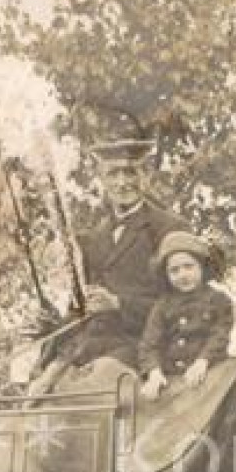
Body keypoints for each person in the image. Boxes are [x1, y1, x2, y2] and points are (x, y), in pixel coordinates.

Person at [28, 131, 190, 395]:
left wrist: (118, 304)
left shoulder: (169, 228)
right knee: (37, 388)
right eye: (113, 174)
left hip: (143, 348)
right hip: (89, 347)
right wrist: (53, 326)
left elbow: (182, 305)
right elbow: (85, 309)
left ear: (145, 176)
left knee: (94, 388)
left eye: (130, 173)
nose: (122, 182)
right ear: (102, 179)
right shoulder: (95, 237)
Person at [139, 230, 235, 401]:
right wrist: (154, 372)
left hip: (210, 375)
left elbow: (219, 336)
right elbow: (149, 344)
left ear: (202, 267)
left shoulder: (219, 301)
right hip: (172, 380)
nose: (182, 275)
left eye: (189, 267)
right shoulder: (162, 306)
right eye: (174, 270)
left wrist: (203, 361)